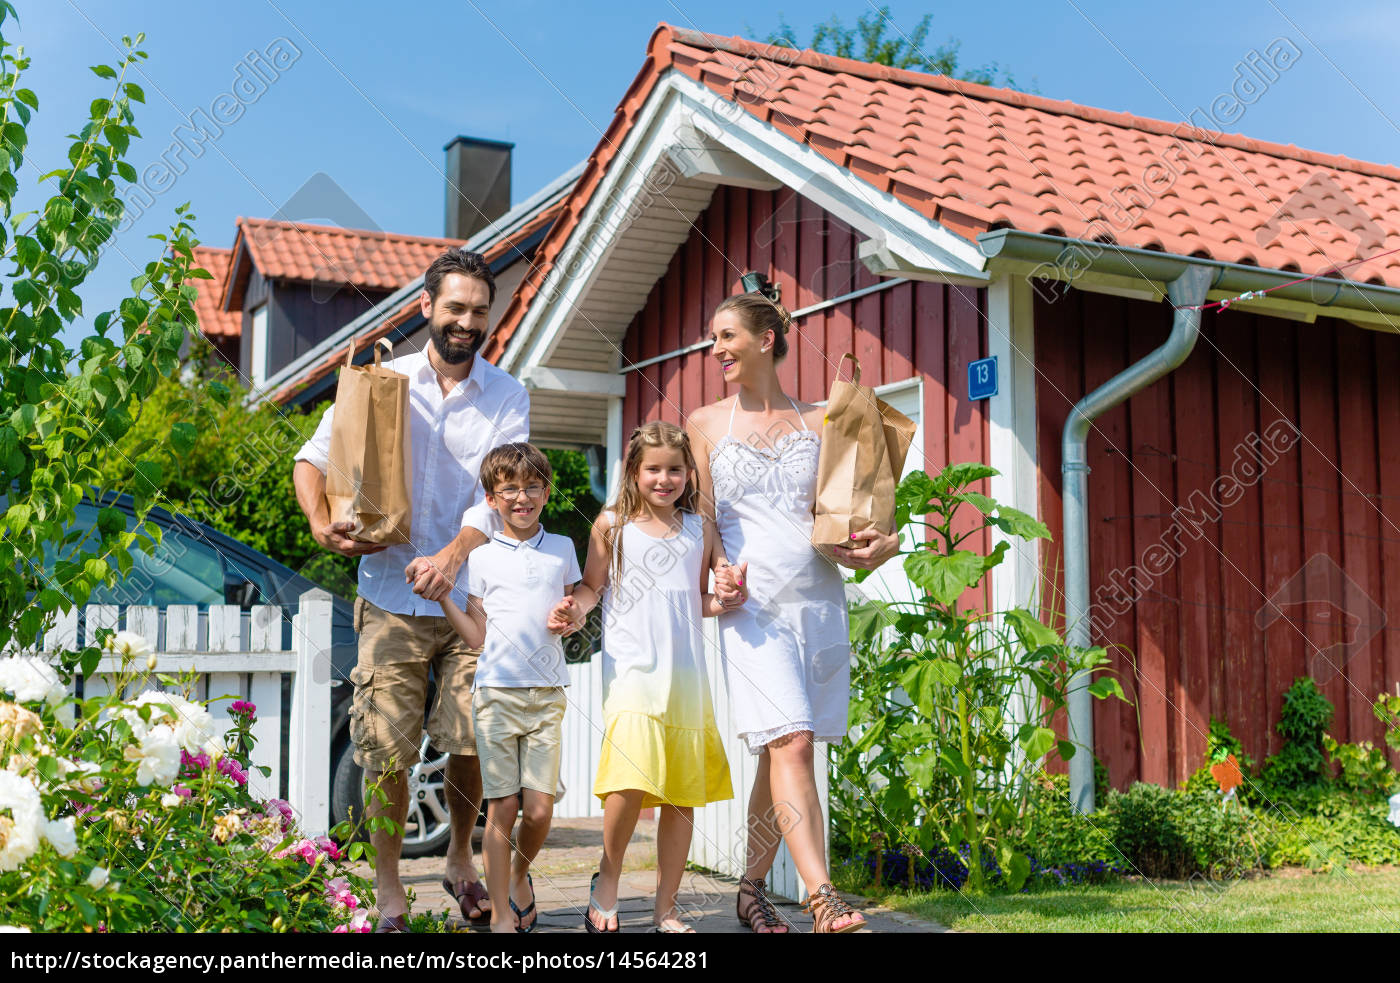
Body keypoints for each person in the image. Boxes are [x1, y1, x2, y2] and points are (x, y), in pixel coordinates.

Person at [293, 248, 528, 932]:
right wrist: (318, 524)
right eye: (454, 307)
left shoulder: (508, 394)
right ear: (426, 308)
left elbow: (506, 496)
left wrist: (455, 553)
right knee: (385, 749)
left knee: (470, 738)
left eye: (479, 310)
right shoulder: (380, 382)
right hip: (391, 596)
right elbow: (311, 459)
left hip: (471, 600)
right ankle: (390, 885)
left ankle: (459, 856)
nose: (466, 321)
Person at [685, 286, 900, 934]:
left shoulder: (821, 420)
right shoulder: (704, 424)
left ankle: (750, 888)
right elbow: (703, 519)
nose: (714, 347)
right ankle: (822, 895)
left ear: (766, 339)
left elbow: (854, 518)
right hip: (751, 607)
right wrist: (717, 577)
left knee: (780, 750)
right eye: (713, 337)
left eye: (725, 335)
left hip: (818, 602)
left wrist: (883, 545)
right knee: (794, 740)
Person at [549, 422, 735, 934]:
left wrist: (727, 599)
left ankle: (666, 908)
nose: (664, 479)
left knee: (681, 794)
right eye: (653, 469)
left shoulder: (701, 528)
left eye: (675, 469)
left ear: (688, 473)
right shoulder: (612, 524)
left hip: (685, 678)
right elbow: (592, 586)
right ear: (634, 471)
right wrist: (576, 609)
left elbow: (699, 600)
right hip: (632, 672)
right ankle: (606, 880)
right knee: (628, 778)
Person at [437, 442, 579, 934]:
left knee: (539, 809)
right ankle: (500, 916)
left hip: (547, 693)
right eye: (510, 489)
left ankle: (519, 873)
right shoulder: (481, 557)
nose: (523, 497)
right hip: (495, 693)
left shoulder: (562, 548)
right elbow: (476, 634)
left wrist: (570, 617)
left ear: (545, 491)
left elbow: (571, 615)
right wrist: (445, 604)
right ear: (492, 499)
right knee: (503, 806)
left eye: (532, 487)